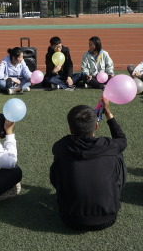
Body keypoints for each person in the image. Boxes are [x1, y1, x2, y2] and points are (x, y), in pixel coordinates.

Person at [50, 97, 127, 230]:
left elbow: (54, 173)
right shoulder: (108, 145)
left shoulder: (61, 145)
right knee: (118, 155)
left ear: (70, 129)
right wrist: (108, 112)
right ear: (96, 126)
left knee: (59, 160)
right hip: (108, 218)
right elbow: (122, 140)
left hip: (69, 219)